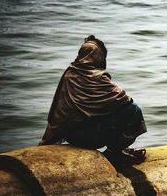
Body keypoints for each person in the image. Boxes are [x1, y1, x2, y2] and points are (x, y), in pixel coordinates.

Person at [39, 35, 147, 164]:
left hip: (70, 135)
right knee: (133, 110)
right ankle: (114, 153)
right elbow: (125, 99)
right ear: (99, 57)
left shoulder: (69, 74)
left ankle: (118, 151)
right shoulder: (98, 77)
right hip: (88, 138)